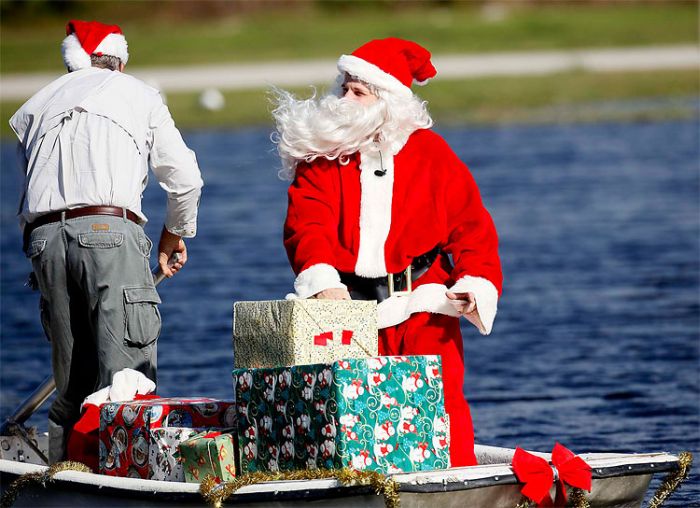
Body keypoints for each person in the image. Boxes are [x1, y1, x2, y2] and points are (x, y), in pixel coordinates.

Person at [274, 38, 502, 466]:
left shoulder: (434, 155)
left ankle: (454, 485)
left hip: (424, 301)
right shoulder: (323, 156)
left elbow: (473, 230)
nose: (344, 98)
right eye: (344, 86)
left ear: (389, 104)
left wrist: (473, 282)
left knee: (441, 406)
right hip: (346, 306)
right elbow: (307, 226)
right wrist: (322, 280)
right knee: (344, 414)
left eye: (358, 92)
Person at [9, 20, 203, 463]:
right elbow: (186, 180)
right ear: (118, 62)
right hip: (108, 232)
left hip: (42, 241)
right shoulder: (138, 93)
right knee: (128, 379)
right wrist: (173, 233)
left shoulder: (36, 104)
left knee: (72, 379)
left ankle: (63, 473)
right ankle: (121, 479)